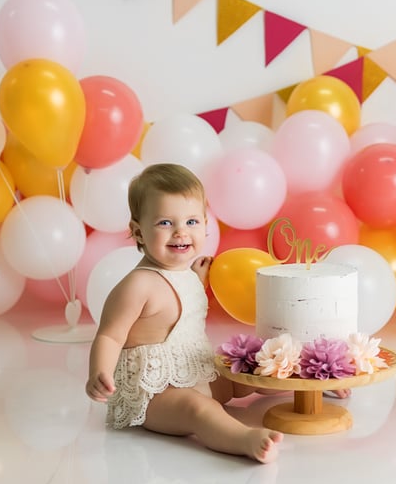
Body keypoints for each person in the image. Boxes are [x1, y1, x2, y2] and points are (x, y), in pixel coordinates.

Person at [85, 163, 283, 463]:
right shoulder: (138, 285)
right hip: (156, 392)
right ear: (138, 231)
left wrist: (197, 281)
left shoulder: (185, 274)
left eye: (191, 221)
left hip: (194, 370)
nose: (181, 232)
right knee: (198, 410)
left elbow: (183, 307)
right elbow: (110, 336)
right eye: (165, 222)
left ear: (205, 224)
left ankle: (309, 391)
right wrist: (99, 372)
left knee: (251, 373)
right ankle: (244, 439)